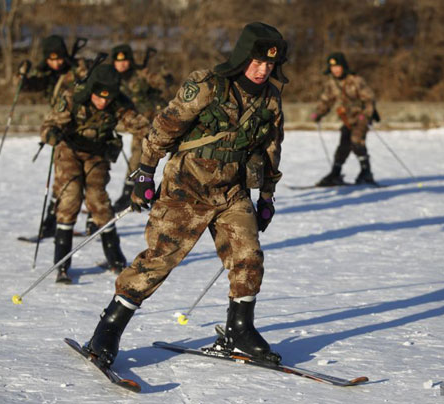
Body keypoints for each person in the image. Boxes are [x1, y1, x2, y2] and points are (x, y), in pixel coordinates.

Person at [84, 22, 288, 368]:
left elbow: (271, 148)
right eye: (257, 62)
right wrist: (145, 170)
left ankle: (240, 329)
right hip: (186, 189)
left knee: (249, 257)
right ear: (242, 57)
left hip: (231, 192)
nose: (263, 69)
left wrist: (266, 196)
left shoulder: (270, 97)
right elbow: (165, 126)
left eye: (270, 64)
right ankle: (108, 329)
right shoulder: (207, 85)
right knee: (159, 259)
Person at [39, 64, 151, 283]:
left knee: (97, 200)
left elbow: (140, 125)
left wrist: (162, 136)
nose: (103, 103)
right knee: (70, 197)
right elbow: (48, 125)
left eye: (107, 99)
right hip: (69, 151)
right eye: (99, 97)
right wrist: (51, 134)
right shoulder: (73, 97)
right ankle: (62, 262)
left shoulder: (118, 102)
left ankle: (114, 256)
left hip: (96, 154)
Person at [17, 35, 89, 238]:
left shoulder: (78, 69)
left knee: (88, 178)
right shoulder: (48, 74)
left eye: (59, 59)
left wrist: (80, 69)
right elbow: (26, 86)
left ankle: (91, 221)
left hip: (83, 129)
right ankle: (51, 222)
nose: (56, 63)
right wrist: (21, 75)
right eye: (51, 59)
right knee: (62, 179)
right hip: (60, 131)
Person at [109, 44, 174, 212]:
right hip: (132, 122)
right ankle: (131, 190)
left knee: (140, 154)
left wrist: (163, 77)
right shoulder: (111, 79)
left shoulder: (140, 74)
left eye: (124, 61)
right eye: (118, 61)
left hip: (149, 120)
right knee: (136, 155)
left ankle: (133, 191)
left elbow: (161, 84)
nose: (121, 65)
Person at [312, 52, 377, 186]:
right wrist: (318, 113)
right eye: (332, 67)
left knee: (356, 141)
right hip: (347, 119)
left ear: (343, 66)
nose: (335, 70)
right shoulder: (332, 83)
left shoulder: (355, 80)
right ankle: (335, 173)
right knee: (343, 145)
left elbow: (369, 99)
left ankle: (366, 172)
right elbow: (326, 100)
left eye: (338, 66)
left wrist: (365, 115)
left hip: (361, 117)